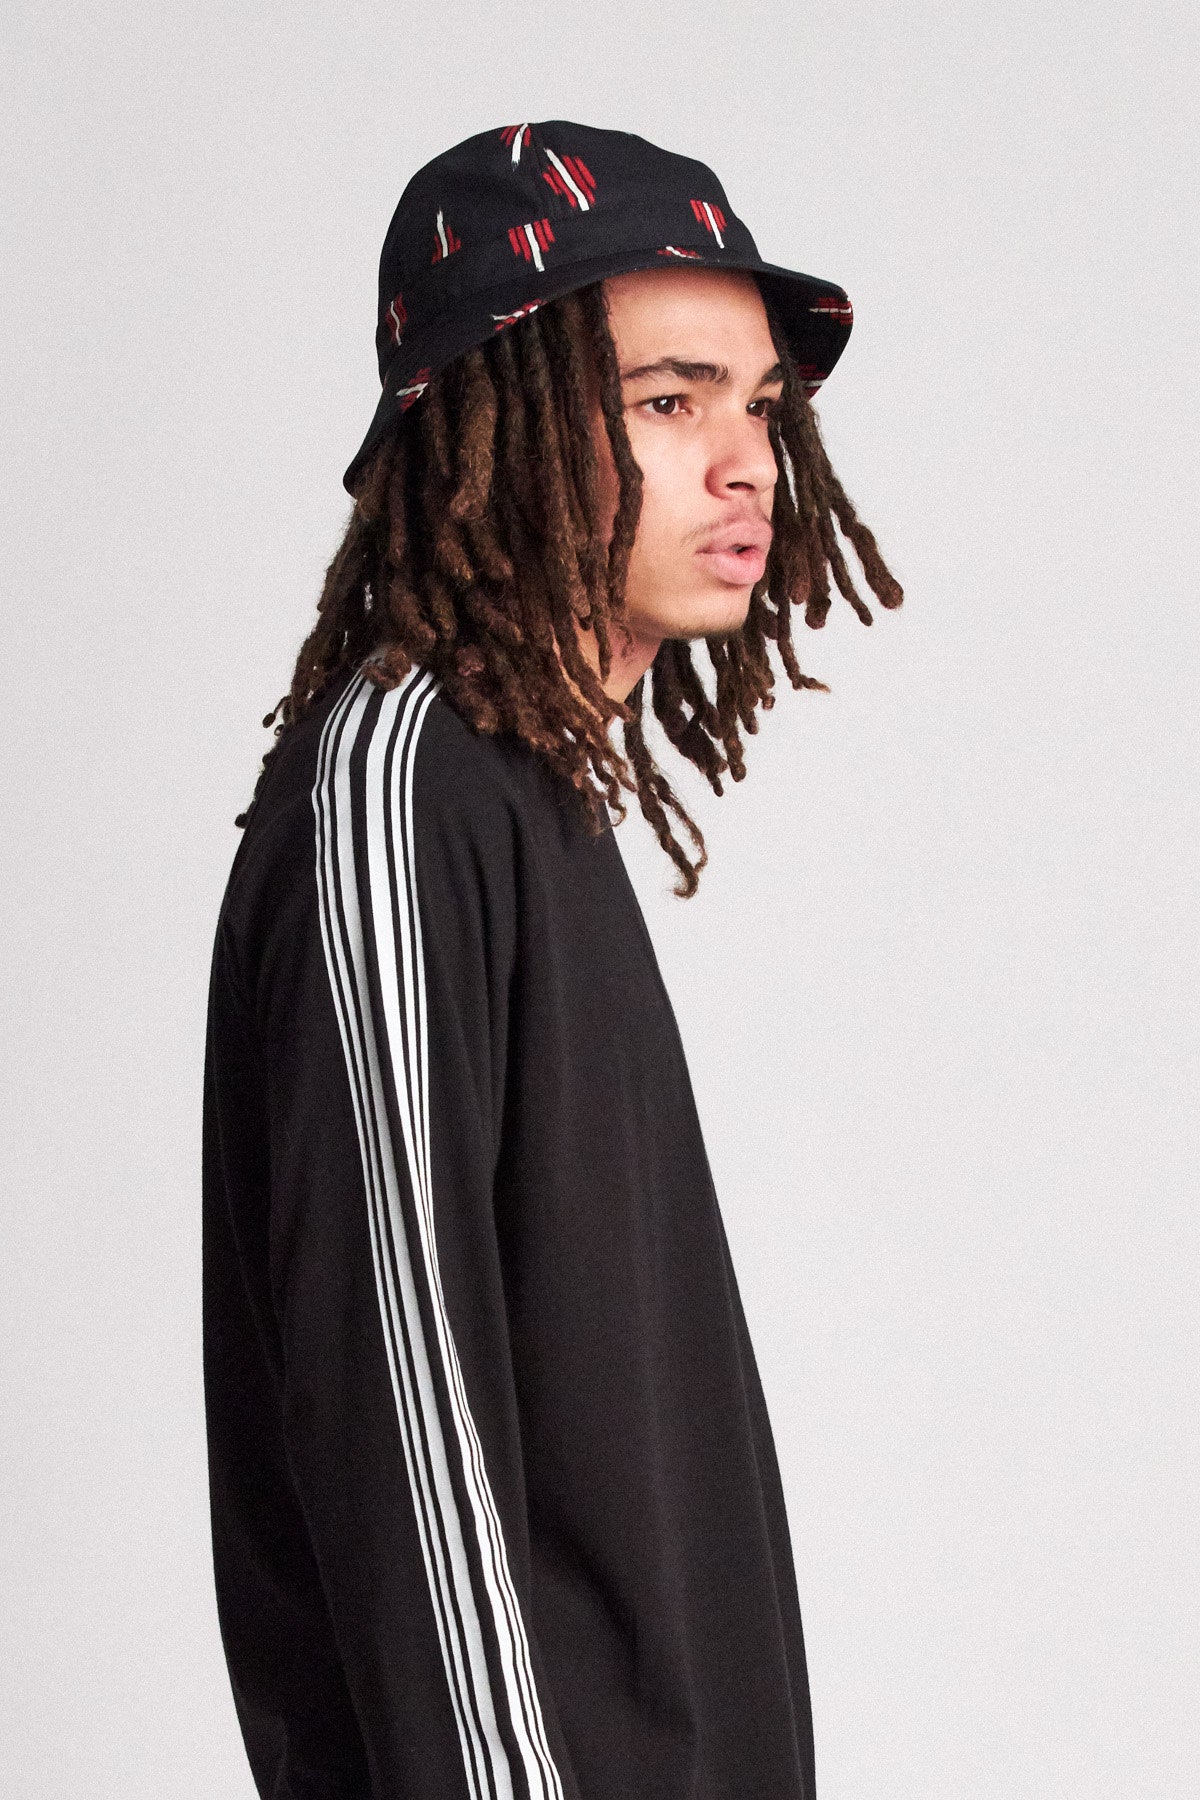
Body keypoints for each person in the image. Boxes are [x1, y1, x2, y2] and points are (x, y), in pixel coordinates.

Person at [202, 118, 902, 1800]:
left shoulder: (528, 789)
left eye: (760, 407)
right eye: (668, 401)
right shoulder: (401, 789)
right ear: (484, 425)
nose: (744, 464)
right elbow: (404, 1411)